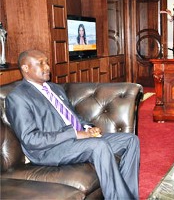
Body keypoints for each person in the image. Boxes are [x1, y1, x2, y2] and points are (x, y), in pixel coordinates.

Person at [5, 49, 140, 199]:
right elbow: (31, 139)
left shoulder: (55, 88)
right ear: (25, 68)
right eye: (41, 63)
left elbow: (72, 116)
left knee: (130, 140)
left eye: (47, 62)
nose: (47, 67)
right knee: (98, 146)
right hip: (49, 149)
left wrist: (88, 127)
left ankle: (129, 196)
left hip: (75, 140)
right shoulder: (18, 97)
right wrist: (75, 134)